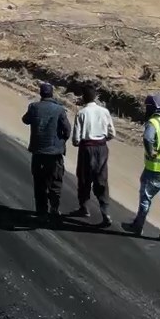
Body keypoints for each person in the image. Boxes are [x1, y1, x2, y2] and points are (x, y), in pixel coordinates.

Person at [125, 94, 160, 242]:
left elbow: (148, 138)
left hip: (154, 168)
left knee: (145, 197)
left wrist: (151, 151)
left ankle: (138, 225)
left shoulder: (153, 123)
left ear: (153, 109)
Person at [20, 81, 71, 221]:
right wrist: (61, 141)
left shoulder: (34, 107)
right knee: (55, 182)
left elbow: (25, 120)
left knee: (39, 182)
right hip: (55, 153)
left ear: (40, 93)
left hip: (38, 152)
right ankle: (54, 208)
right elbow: (67, 130)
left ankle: (41, 210)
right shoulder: (59, 110)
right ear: (52, 93)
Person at [69, 83, 115, 226]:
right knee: (101, 179)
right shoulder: (104, 111)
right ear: (95, 97)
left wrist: (79, 143)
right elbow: (112, 133)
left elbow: (76, 139)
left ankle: (84, 207)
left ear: (84, 98)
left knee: (84, 178)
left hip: (87, 148)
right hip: (101, 147)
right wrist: (102, 140)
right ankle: (105, 212)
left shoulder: (81, 113)